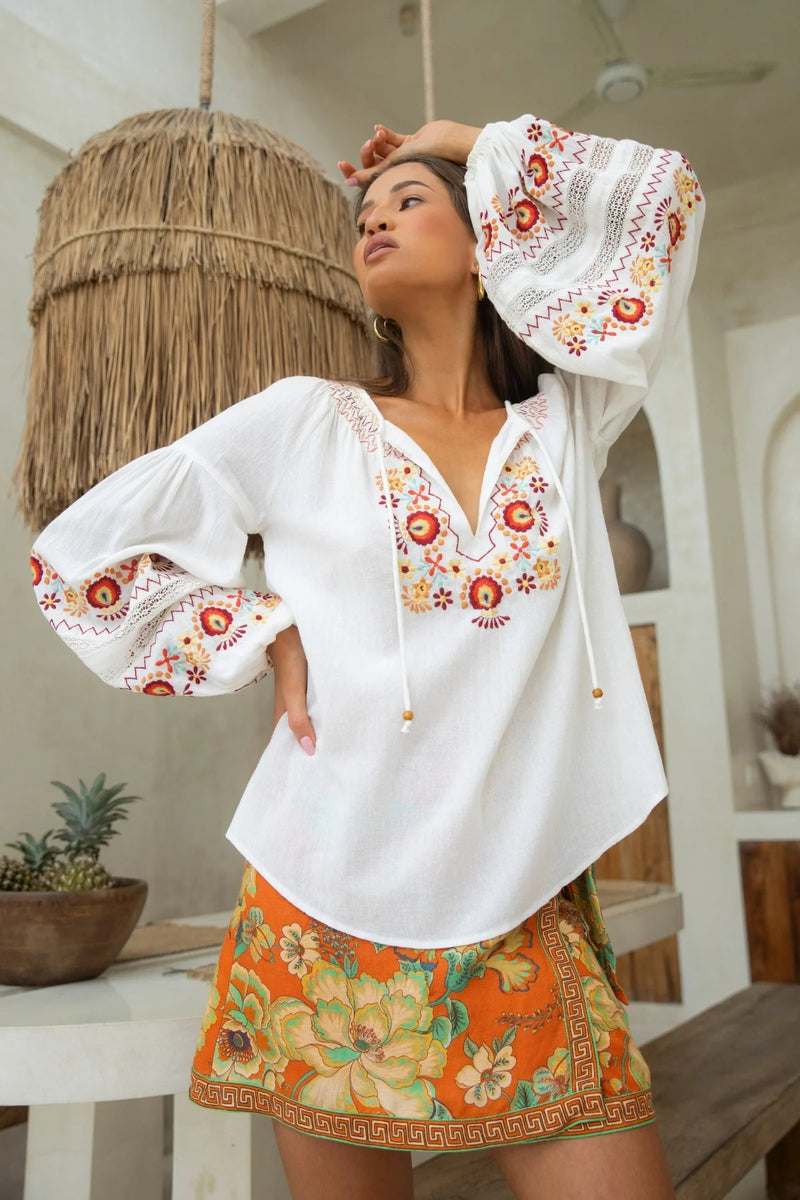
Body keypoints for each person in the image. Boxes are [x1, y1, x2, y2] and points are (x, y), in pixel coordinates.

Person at [30, 112, 702, 1199]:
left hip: (521, 902)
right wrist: (254, 628)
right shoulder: (304, 423)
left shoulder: (568, 422)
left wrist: (462, 135)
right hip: (324, 905)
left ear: (490, 243)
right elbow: (79, 557)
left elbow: (660, 199)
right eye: (365, 212)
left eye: (409, 200)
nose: (375, 220)